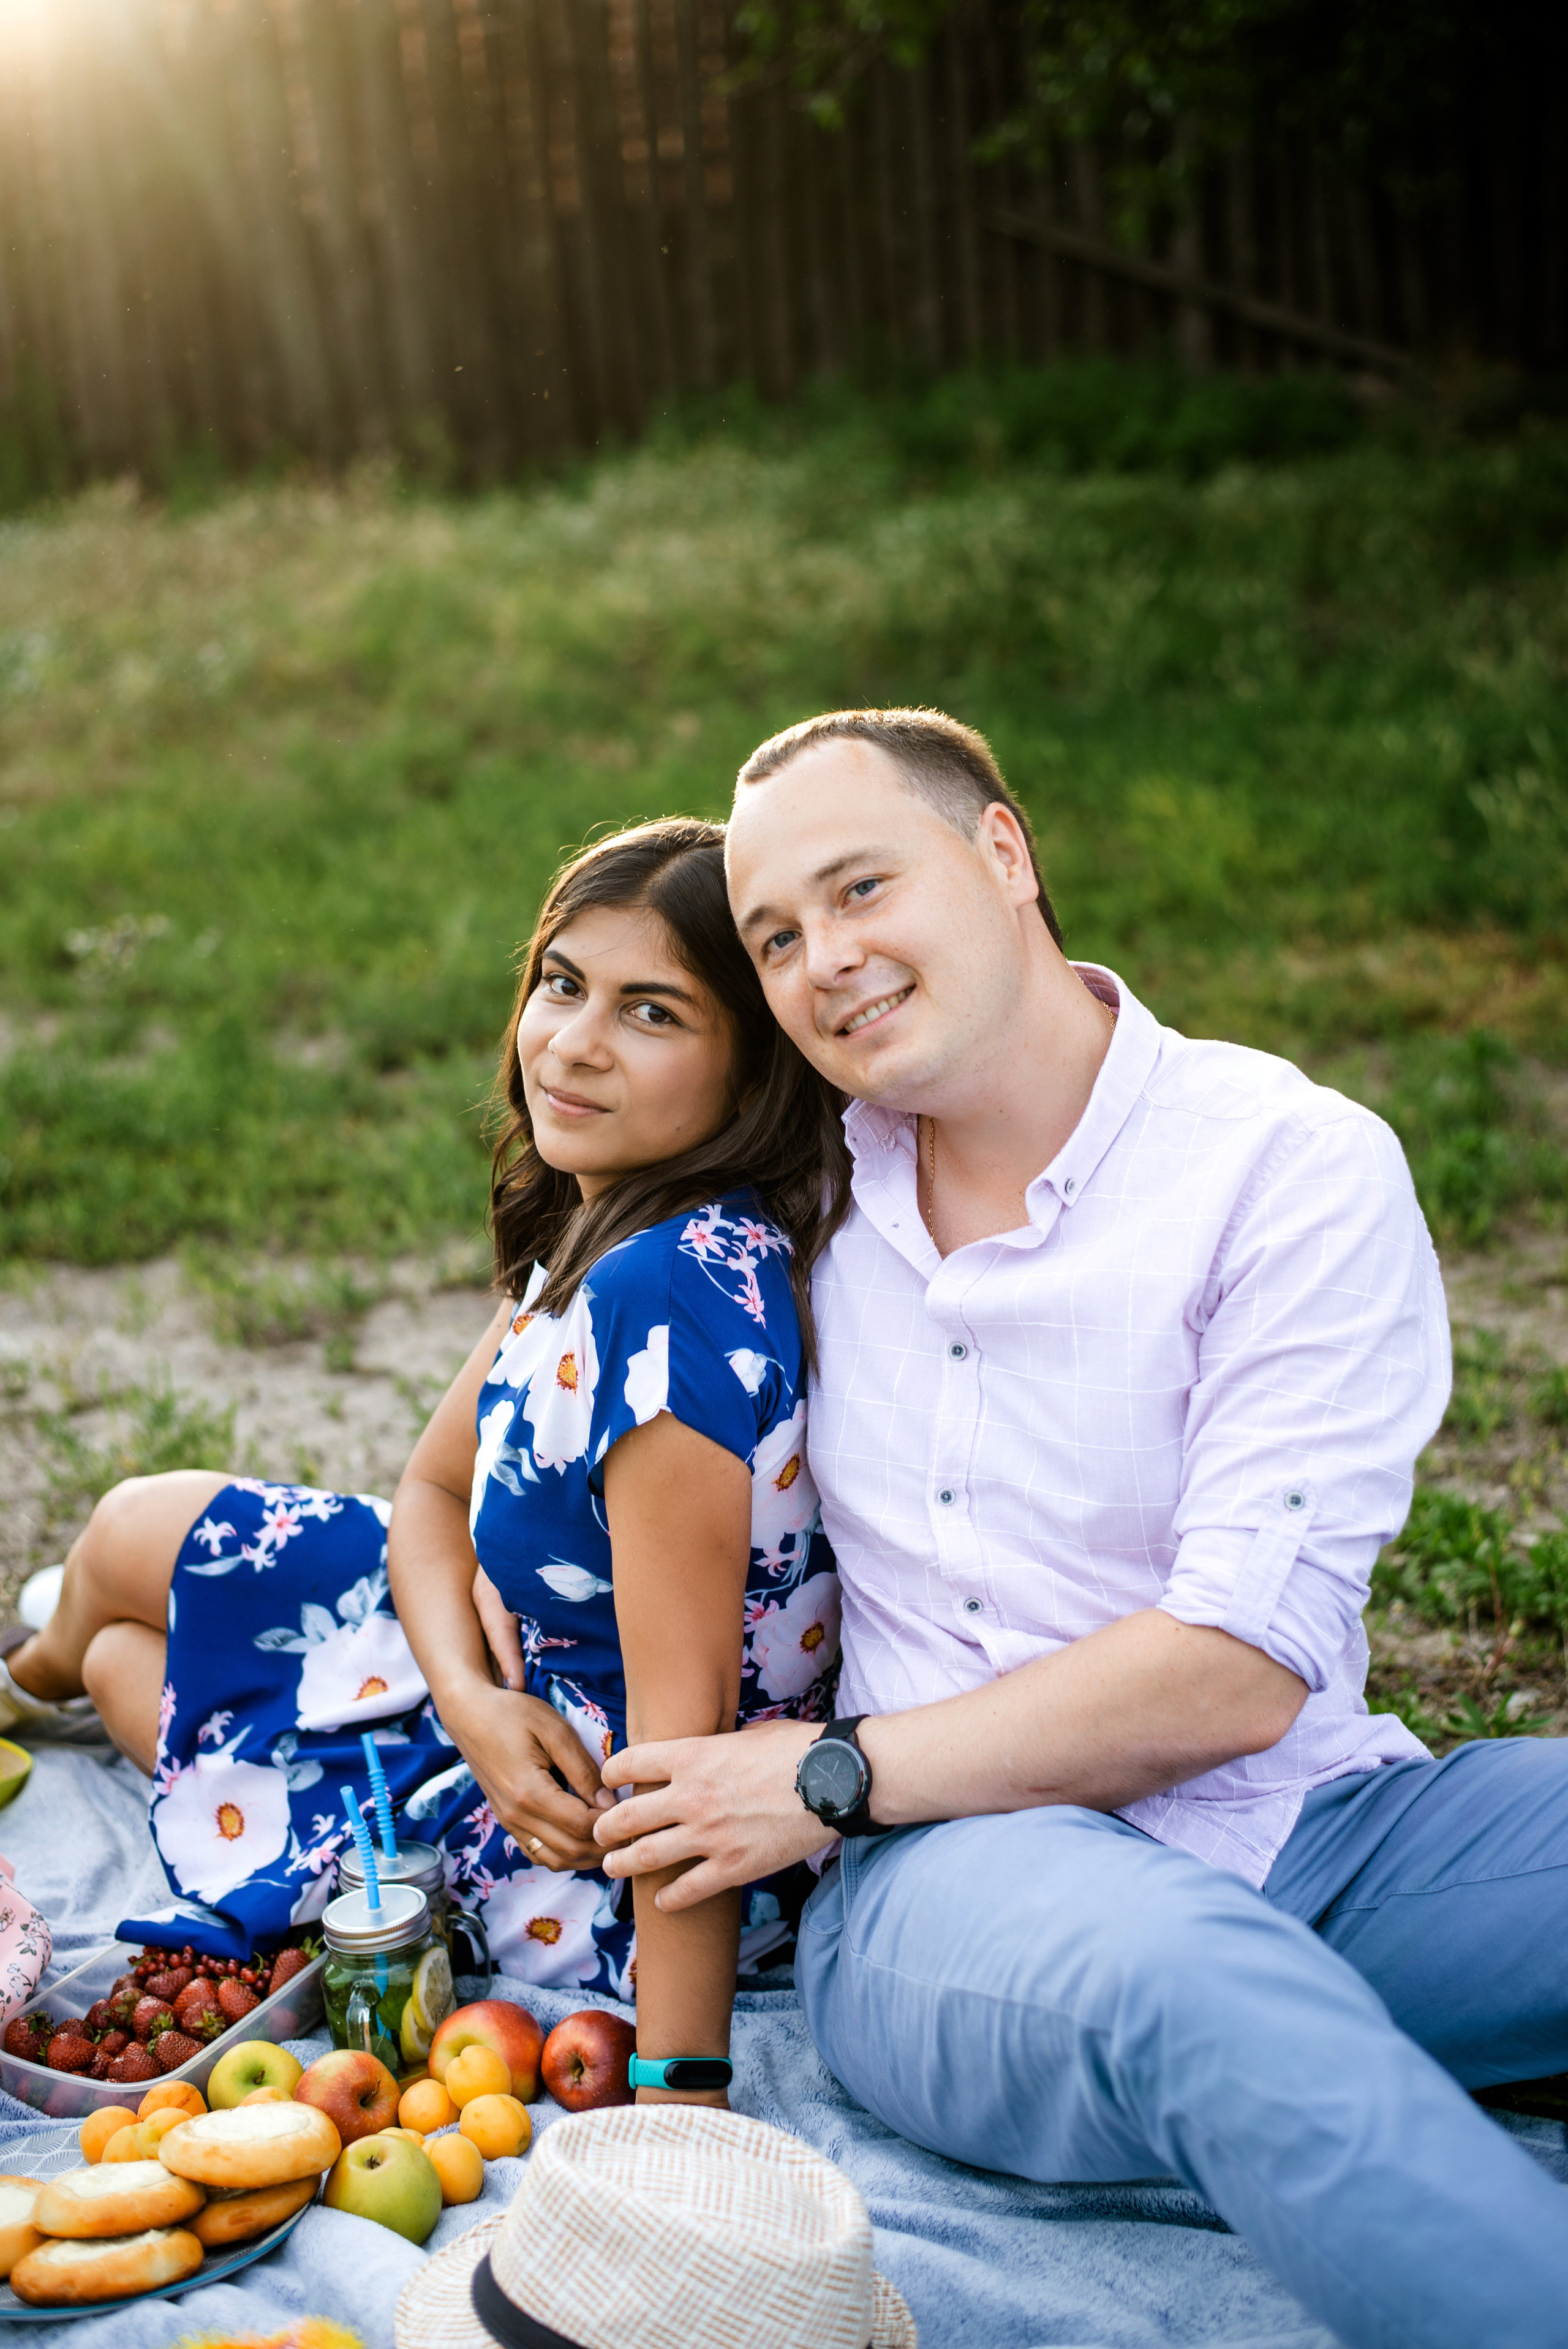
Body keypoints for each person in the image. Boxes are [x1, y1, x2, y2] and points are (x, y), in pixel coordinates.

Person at [593, 710, 1568, 2348]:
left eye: (860, 889)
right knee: (1195, 1989)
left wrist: (826, 1774)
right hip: (955, 1883)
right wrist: (454, 1616)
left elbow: (1239, 1675)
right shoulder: (784, 1202)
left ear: (1002, 854)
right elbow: (529, 1368)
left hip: (1313, 1829)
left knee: (1256, 1975)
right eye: (776, 936)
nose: (825, 960)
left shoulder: (1290, 1165)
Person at [1, 819, 845, 2076]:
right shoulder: (613, 1225)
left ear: (753, 1069)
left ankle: (52, 1683)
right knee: (132, 1533)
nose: (574, 1042)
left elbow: (684, 1768)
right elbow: (433, 1483)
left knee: (138, 1664)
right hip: (508, 1692)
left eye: (652, 1014)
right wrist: (472, 1697)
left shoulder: (668, 1306)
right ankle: (25, 1684)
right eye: (562, 985)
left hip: (587, 1832)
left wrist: (680, 2088)